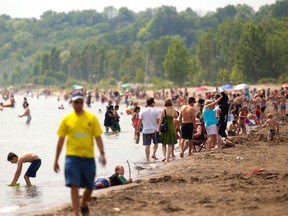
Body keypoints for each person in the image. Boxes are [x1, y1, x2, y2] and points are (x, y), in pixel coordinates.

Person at [53, 89, 106, 216]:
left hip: (88, 157)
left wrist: (102, 154)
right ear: (72, 103)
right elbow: (60, 141)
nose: (78, 104)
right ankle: (76, 213)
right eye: (76, 102)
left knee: (89, 187)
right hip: (72, 157)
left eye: (80, 102)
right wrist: (56, 160)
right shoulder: (67, 119)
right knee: (74, 185)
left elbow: (98, 137)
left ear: (83, 102)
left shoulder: (91, 118)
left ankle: (83, 202)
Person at [137, 97, 160, 162]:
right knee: (156, 143)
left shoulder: (143, 111)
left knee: (147, 145)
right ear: (152, 103)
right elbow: (158, 122)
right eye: (154, 102)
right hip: (154, 130)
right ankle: (153, 154)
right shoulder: (156, 111)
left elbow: (139, 122)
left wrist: (137, 130)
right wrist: (158, 128)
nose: (154, 103)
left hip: (145, 131)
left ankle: (147, 159)